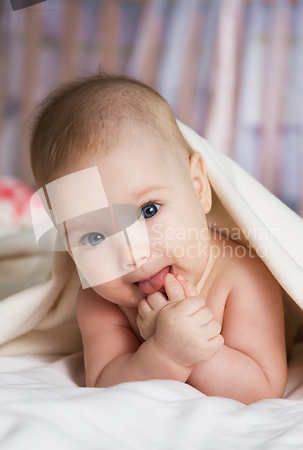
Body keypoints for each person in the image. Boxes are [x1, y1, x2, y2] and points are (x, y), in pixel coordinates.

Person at [30, 74, 288, 404]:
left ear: (198, 187)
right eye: (94, 236)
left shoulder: (243, 275)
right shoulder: (102, 299)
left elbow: (263, 388)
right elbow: (106, 385)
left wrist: (193, 350)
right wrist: (163, 354)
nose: (133, 254)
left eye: (149, 210)